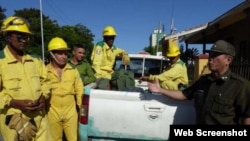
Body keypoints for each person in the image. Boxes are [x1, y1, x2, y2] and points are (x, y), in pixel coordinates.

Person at [148, 40, 250, 125]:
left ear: (228, 60)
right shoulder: (204, 81)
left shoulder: (240, 86)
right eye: (210, 54)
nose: (210, 58)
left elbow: (247, 118)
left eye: (215, 55)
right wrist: (160, 90)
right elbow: (183, 94)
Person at [0, 16, 51, 141]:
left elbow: (46, 82)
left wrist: (44, 97)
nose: (24, 40)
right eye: (20, 36)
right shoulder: (1, 61)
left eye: (26, 37)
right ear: (7, 36)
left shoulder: (35, 60)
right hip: (15, 121)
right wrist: (13, 102)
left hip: (40, 118)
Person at [46, 37, 83, 141]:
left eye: (65, 53)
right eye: (60, 53)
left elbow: (79, 90)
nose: (64, 56)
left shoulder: (73, 71)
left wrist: (81, 109)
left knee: (73, 138)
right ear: (52, 54)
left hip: (70, 112)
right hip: (52, 112)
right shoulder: (44, 71)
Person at [91, 25, 130, 89]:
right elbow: (96, 64)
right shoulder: (100, 46)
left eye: (113, 37)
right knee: (104, 87)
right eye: (109, 37)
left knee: (124, 80)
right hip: (101, 75)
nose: (112, 39)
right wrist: (99, 77)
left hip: (110, 74)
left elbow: (121, 51)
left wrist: (125, 55)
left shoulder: (113, 48)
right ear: (104, 37)